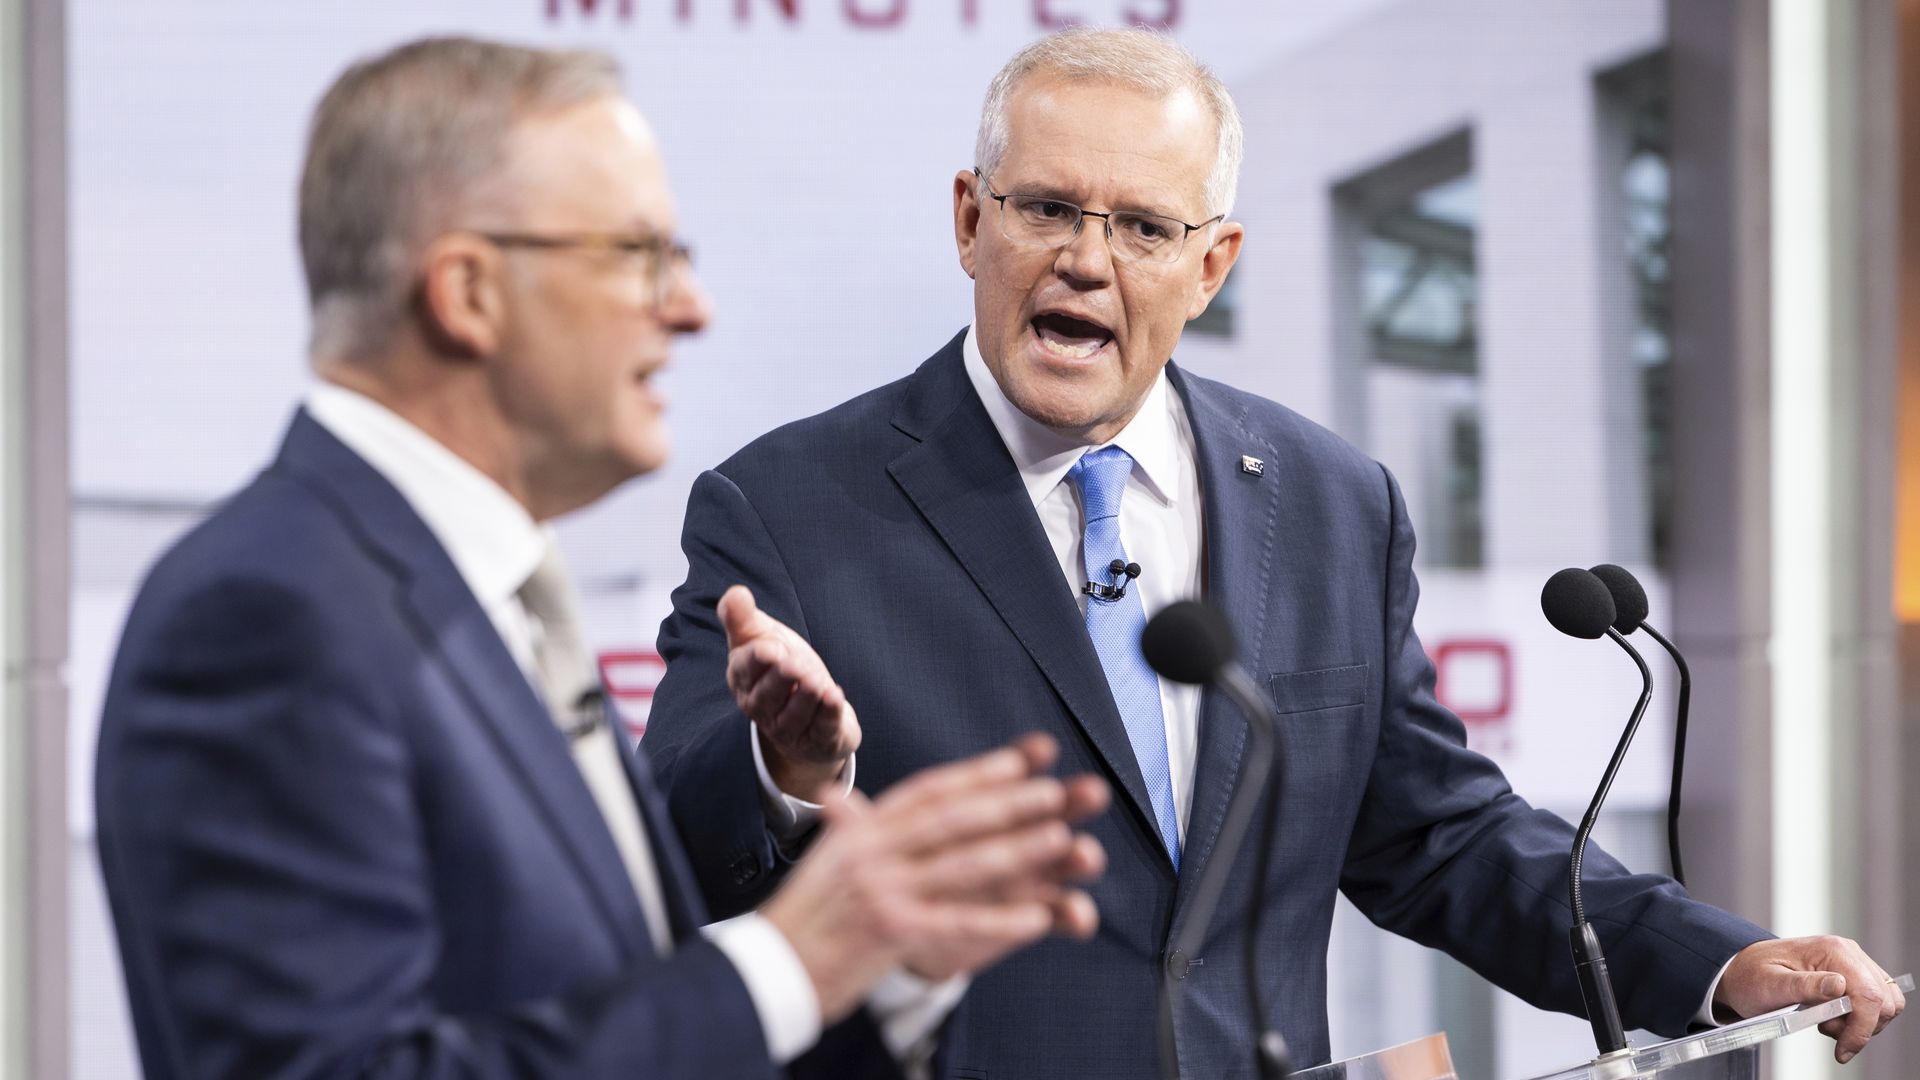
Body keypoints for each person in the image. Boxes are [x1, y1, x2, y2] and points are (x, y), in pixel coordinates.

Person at [641, 25, 1906, 1077]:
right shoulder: (788, 504)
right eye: (1045, 208)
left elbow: (1437, 836)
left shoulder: (1331, 500)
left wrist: (1714, 962)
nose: (1087, 257)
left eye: (1143, 226)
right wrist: (787, 775)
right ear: (972, 222)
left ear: (1212, 264)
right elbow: (667, 865)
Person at [95, 37, 1109, 1080]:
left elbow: (619, 1019)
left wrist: (882, 969)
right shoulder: (267, 613)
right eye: (637, 255)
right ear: (469, 293)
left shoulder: (478, 600)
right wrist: (787, 963)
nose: (688, 308)